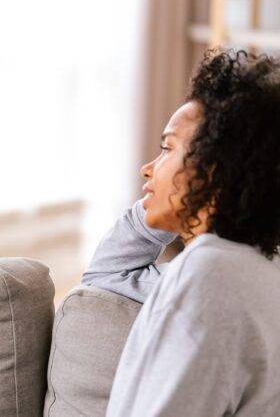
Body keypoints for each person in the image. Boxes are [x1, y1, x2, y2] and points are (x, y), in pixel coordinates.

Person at [82, 50, 280, 416]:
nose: (147, 168)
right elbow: (101, 278)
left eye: (167, 148)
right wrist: (168, 204)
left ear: (215, 169)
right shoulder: (259, 273)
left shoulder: (210, 273)